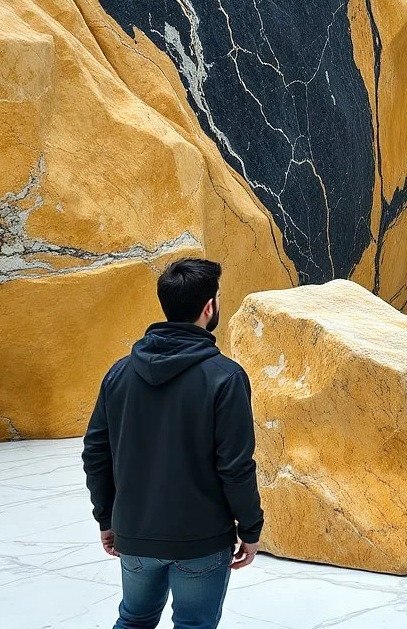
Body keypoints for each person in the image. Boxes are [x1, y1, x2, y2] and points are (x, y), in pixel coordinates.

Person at [82, 258, 263, 629]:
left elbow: (95, 452)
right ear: (209, 306)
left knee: (133, 620)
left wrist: (107, 517)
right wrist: (250, 528)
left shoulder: (119, 373)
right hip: (201, 540)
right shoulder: (225, 378)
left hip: (134, 533)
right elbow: (236, 466)